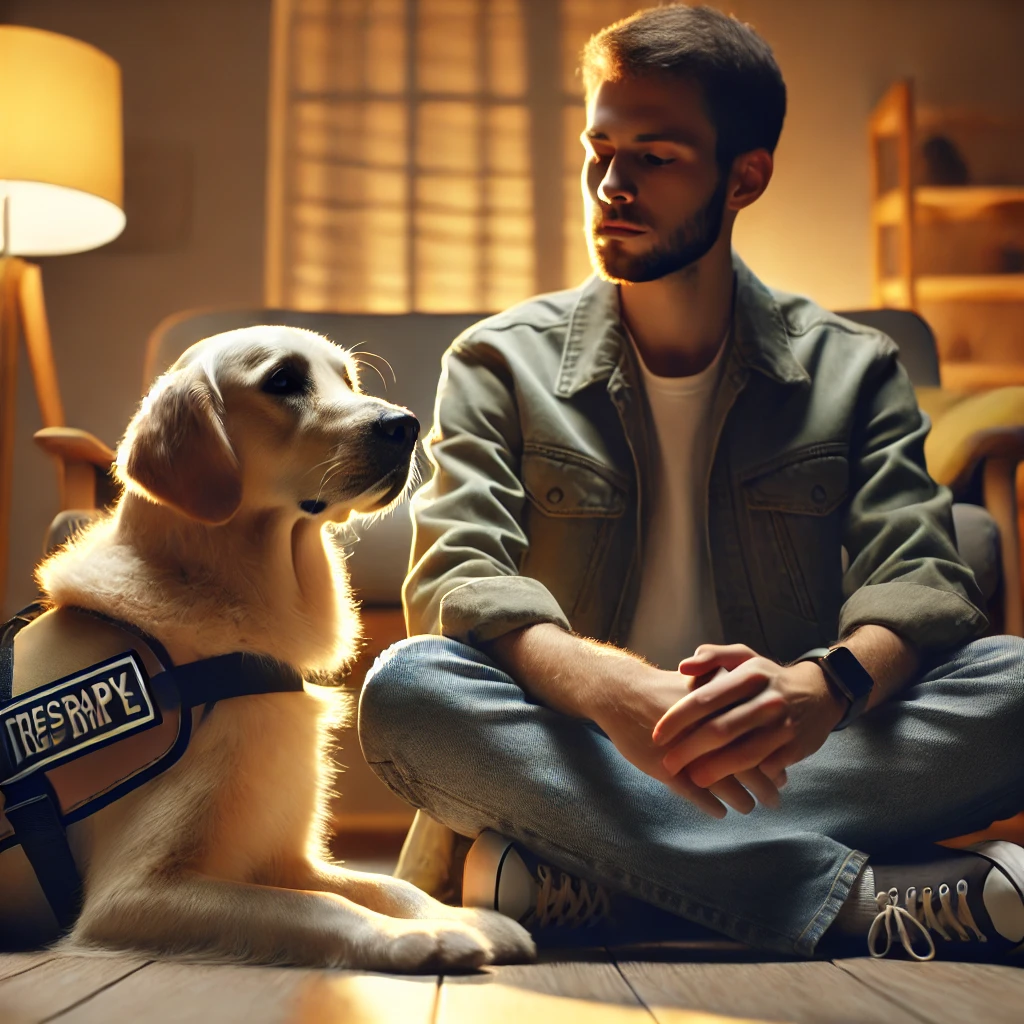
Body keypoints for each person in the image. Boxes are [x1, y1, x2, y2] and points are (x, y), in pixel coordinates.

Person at [357, 3, 1024, 961]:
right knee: (413, 690)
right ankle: (861, 903)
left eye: (656, 157)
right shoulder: (497, 361)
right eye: (599, 149)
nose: (610, 185)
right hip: (582, 743)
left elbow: (921, 579)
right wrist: (620, 693)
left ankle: (597, 884)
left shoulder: (857, 367)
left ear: (745, 176)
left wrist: (819, 689)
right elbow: (459, 576)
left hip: (787, 753)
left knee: (1016, 685)